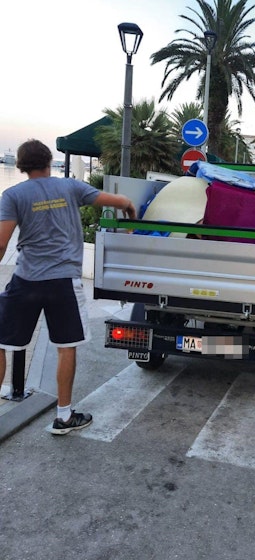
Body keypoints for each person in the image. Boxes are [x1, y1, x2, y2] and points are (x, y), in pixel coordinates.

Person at [0, 139, 136, 435]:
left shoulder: (12, 195)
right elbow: (109, 200)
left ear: (21, 166)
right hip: (64, 282)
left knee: (2, 344)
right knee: (65, 347)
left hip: (26, 280)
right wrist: (127, 204)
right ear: (49, 161)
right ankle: (63, 416)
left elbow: (1, 242)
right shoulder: (70, 188)